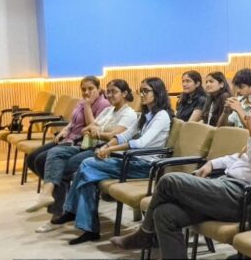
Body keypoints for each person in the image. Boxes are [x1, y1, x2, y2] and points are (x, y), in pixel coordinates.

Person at [112, 78, 251, 258]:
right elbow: (242, 158)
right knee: (165, 214)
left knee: (169, 180)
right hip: (230, 187)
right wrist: (213, 164)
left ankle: (144, 234)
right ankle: (148, 235)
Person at [51, 77, 172, 244]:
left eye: (146, 91)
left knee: (86, 164)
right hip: (132, 161)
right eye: (141, 91)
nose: (142, 94)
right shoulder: (146, 115)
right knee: (87, 174)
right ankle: (88, 228)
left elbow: (140, 143)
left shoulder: (162, 115)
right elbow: (124, 136)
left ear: (157, 92)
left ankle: (74, 213)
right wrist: (107, 145)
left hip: (146, 166)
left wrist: (109, 149)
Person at [27, 79, 135, 215]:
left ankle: (63, 210)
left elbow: (113, 137)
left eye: (114, 92)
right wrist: (91, 130)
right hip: (89, 145)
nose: (110, 95)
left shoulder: (128, 113)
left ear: (124, 93)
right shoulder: (108, 110)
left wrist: (96, 132)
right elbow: (85, 130)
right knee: (55, 153)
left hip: (107, 151)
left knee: (65, 167)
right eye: (108, 92)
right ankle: (47, 194)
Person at [25, 76, 111, 199]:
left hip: (80, 142)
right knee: (32, 158)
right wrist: (65, 129)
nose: (86, 92)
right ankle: (56, 192)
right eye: (83, 89)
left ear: (99, 89)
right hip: (68, 137)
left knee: (41, 159)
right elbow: (73, 120)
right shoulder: (81, 101)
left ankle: (57, 196)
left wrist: (87, 106)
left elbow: (93, 127)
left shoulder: (103, 104)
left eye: (90, 88)